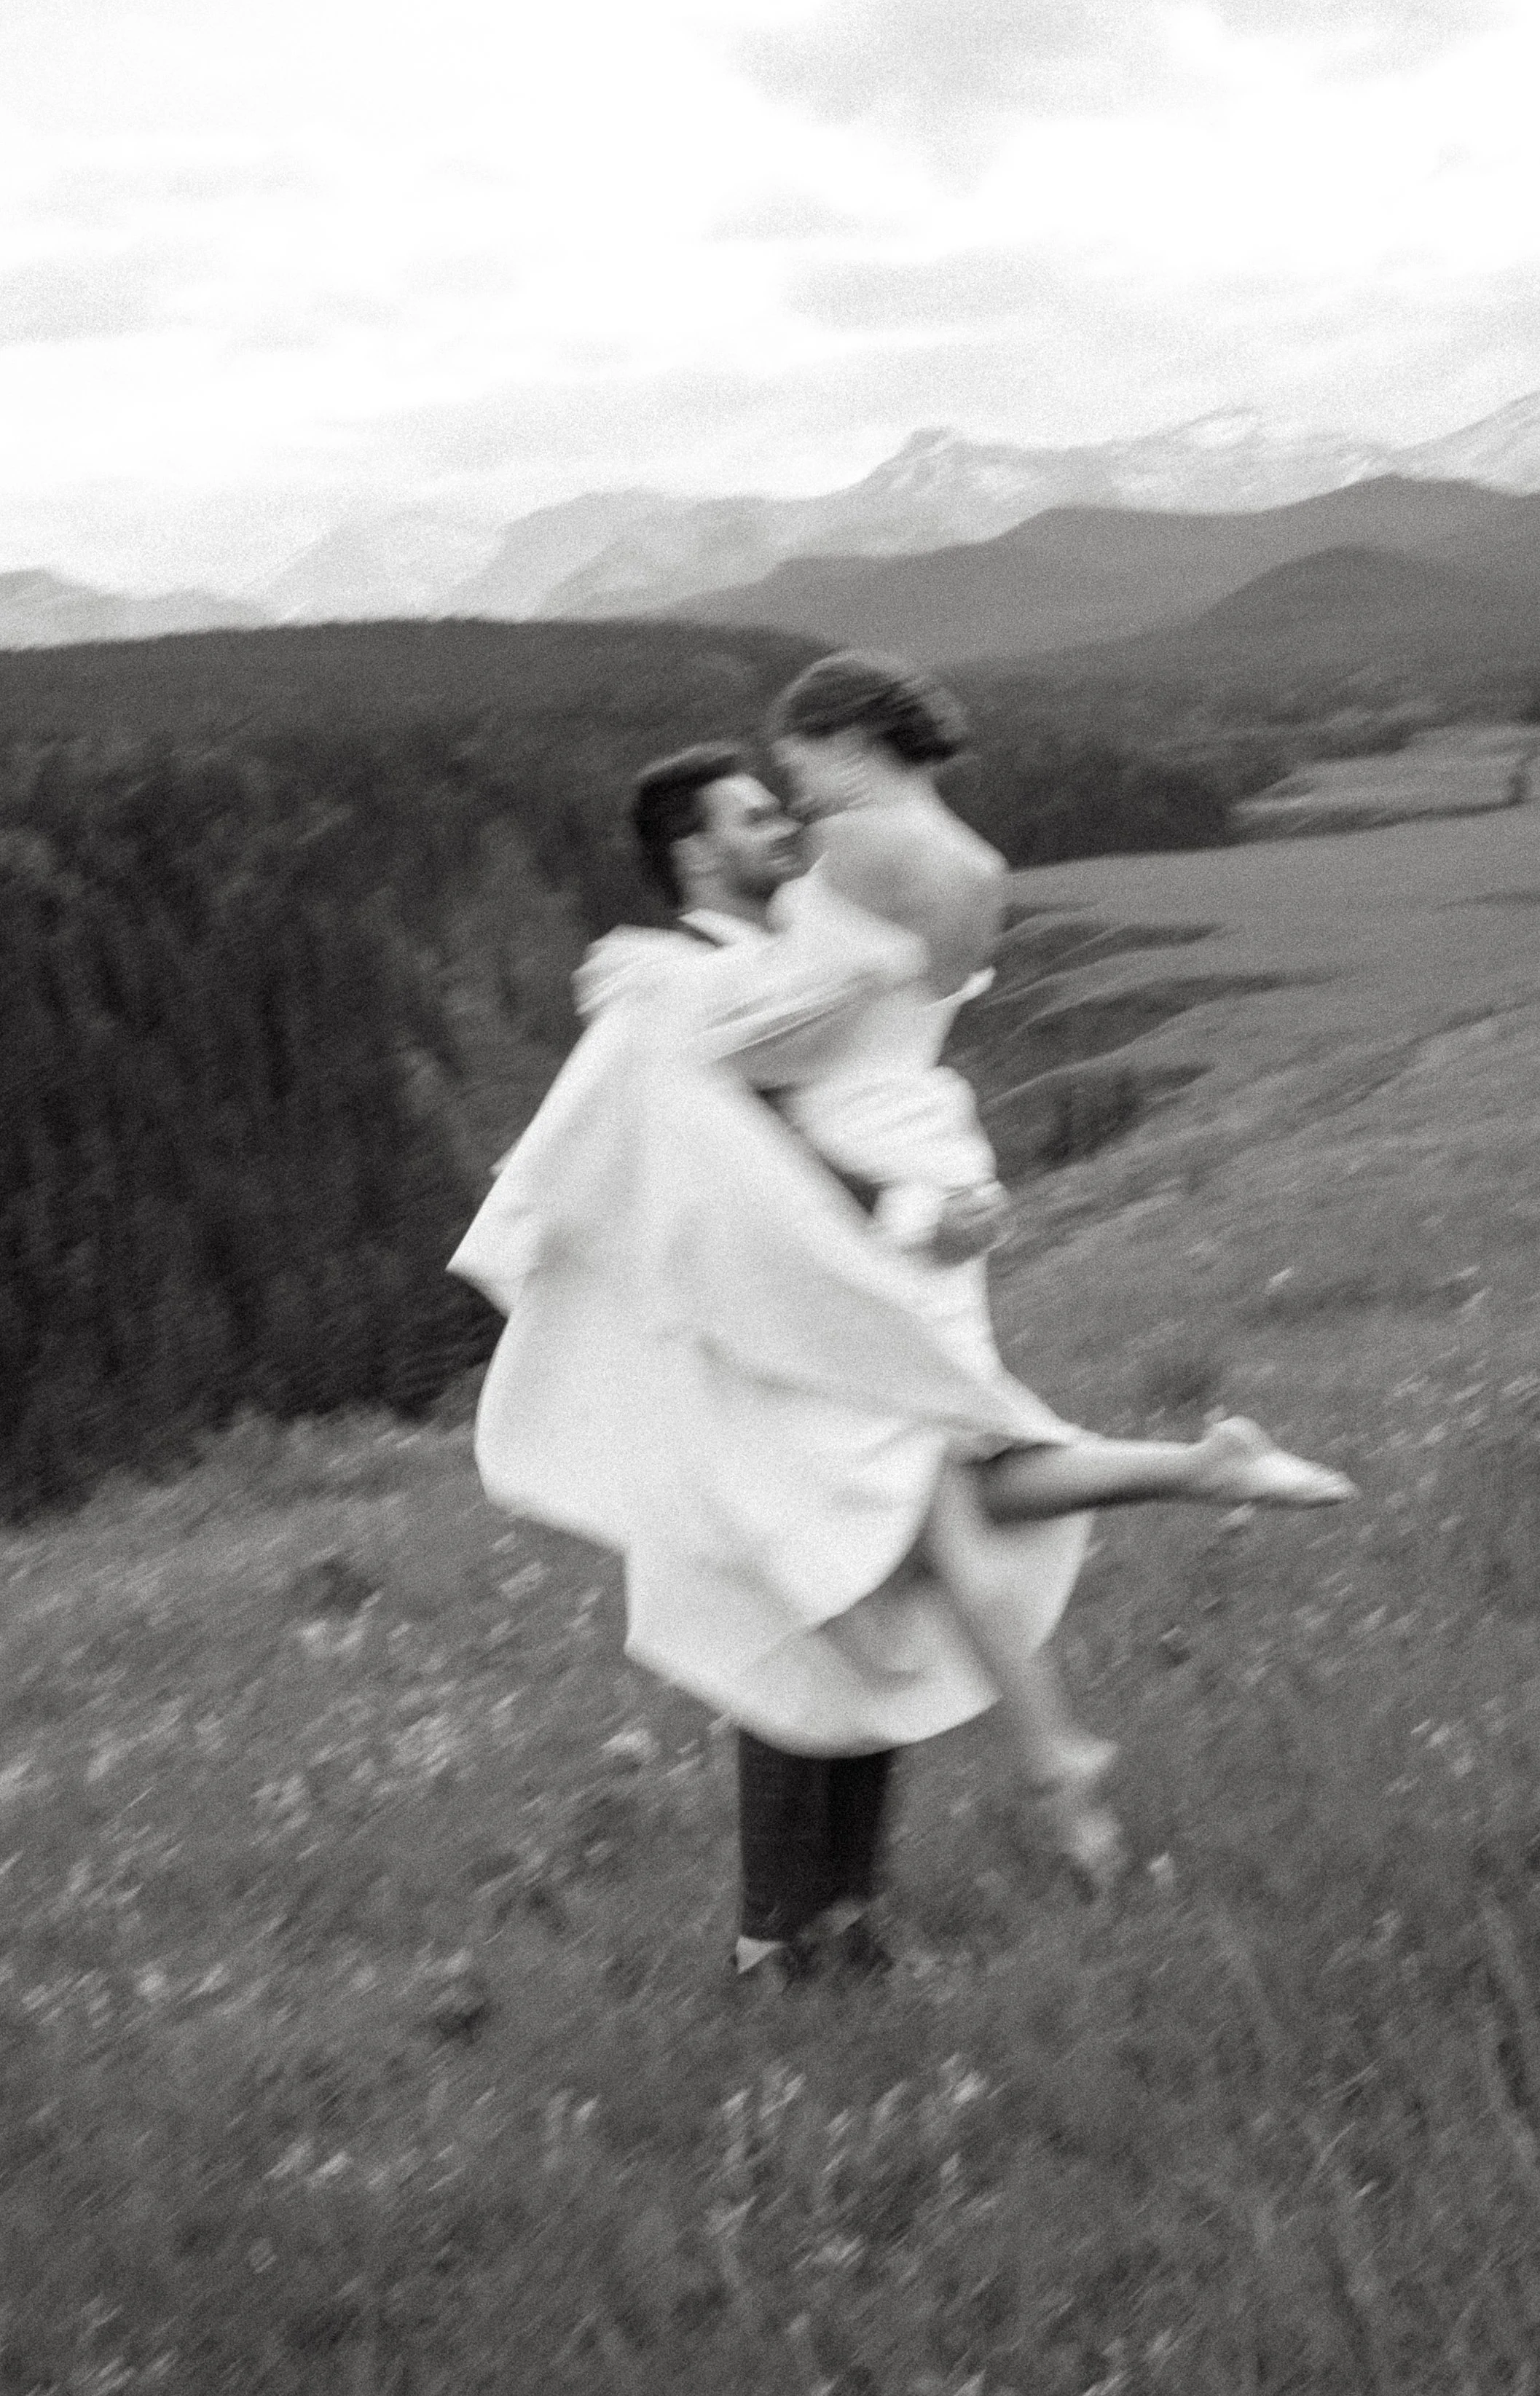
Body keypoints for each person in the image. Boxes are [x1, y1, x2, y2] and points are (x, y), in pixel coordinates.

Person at [450, 720, 1351, 1973]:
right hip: (750, 1335)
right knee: (806, 1606)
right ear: (691, 853)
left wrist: (924, 1190)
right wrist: (907, 1207)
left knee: (872, 1583)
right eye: (751, 815)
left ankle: (846, 1920)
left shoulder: (782, 959)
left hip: (832, 1313)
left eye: (779, 804)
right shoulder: (667, 981)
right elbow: (720, 1153)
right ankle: (793, 1930)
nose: (780, 825)